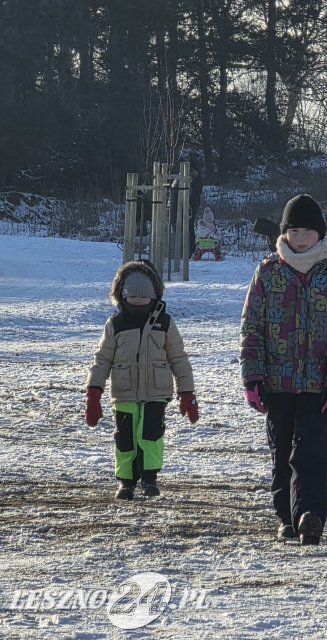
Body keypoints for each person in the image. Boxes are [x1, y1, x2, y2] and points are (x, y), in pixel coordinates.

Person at [240, 194, 327, 546]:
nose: (301, 237)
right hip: (276, 383)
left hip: (318, 385)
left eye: (308, 231)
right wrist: (253, 376)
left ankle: (310, 515)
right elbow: (251, 327)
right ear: (284, 233)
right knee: (281, 452)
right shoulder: (268, 272)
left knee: (312, 453)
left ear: (320, 233)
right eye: (294, 231)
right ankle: (287, 518)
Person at [85, 260, 198, 501]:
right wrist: (94, 392)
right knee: (124, 438)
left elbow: (179, 358)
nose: (138, 301)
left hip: (156, 392)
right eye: (133, 297)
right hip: (123, 392)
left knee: (151, 436)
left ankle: (149, 479)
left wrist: (187, 393)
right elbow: (102, 360)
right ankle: (126, 481)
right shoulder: (115, 324)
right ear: (122, 296)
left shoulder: (165, 323)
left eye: (144, 297)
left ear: (154, 296)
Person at [188, 167, 204, 257]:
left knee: (189, 227)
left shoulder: (194, 183)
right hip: (193, 205)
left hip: (191, 205)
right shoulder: (198, 182)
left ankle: (191, 248)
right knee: (190, 227)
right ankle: (191, 248)